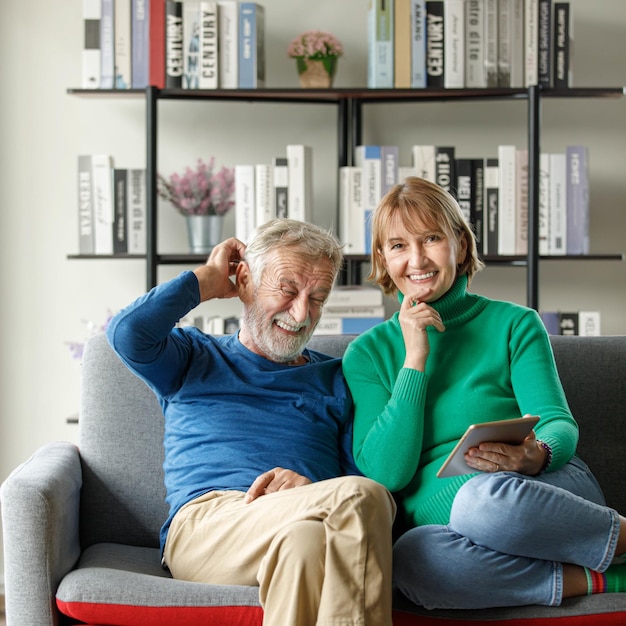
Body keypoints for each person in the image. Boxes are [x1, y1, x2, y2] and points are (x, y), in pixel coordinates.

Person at [342, 176, 626, 610]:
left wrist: (537, 455)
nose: (416, 259)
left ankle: (618, 537)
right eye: (398, 245)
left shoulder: (516, 324)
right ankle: (606, 577)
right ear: (382, 257)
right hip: (454, 523)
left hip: (541, 489)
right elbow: (386, 474)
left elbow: (556, 421)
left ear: (458, 242)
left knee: (483, 502)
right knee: (410, 560)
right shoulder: (367, 354)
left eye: (431, 238)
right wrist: (415, 357)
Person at [106, 218, 396, 626]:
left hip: (307, 518)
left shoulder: (338, 378)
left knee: (308, 543)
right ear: (244, 280)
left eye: (317, 298)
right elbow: (127, 333)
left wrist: (311, 491)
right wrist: (206, 280)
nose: (301, 313)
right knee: (363, 498)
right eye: (288, 290)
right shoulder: (193, 357)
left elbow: (360, 468)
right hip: (210, 526)